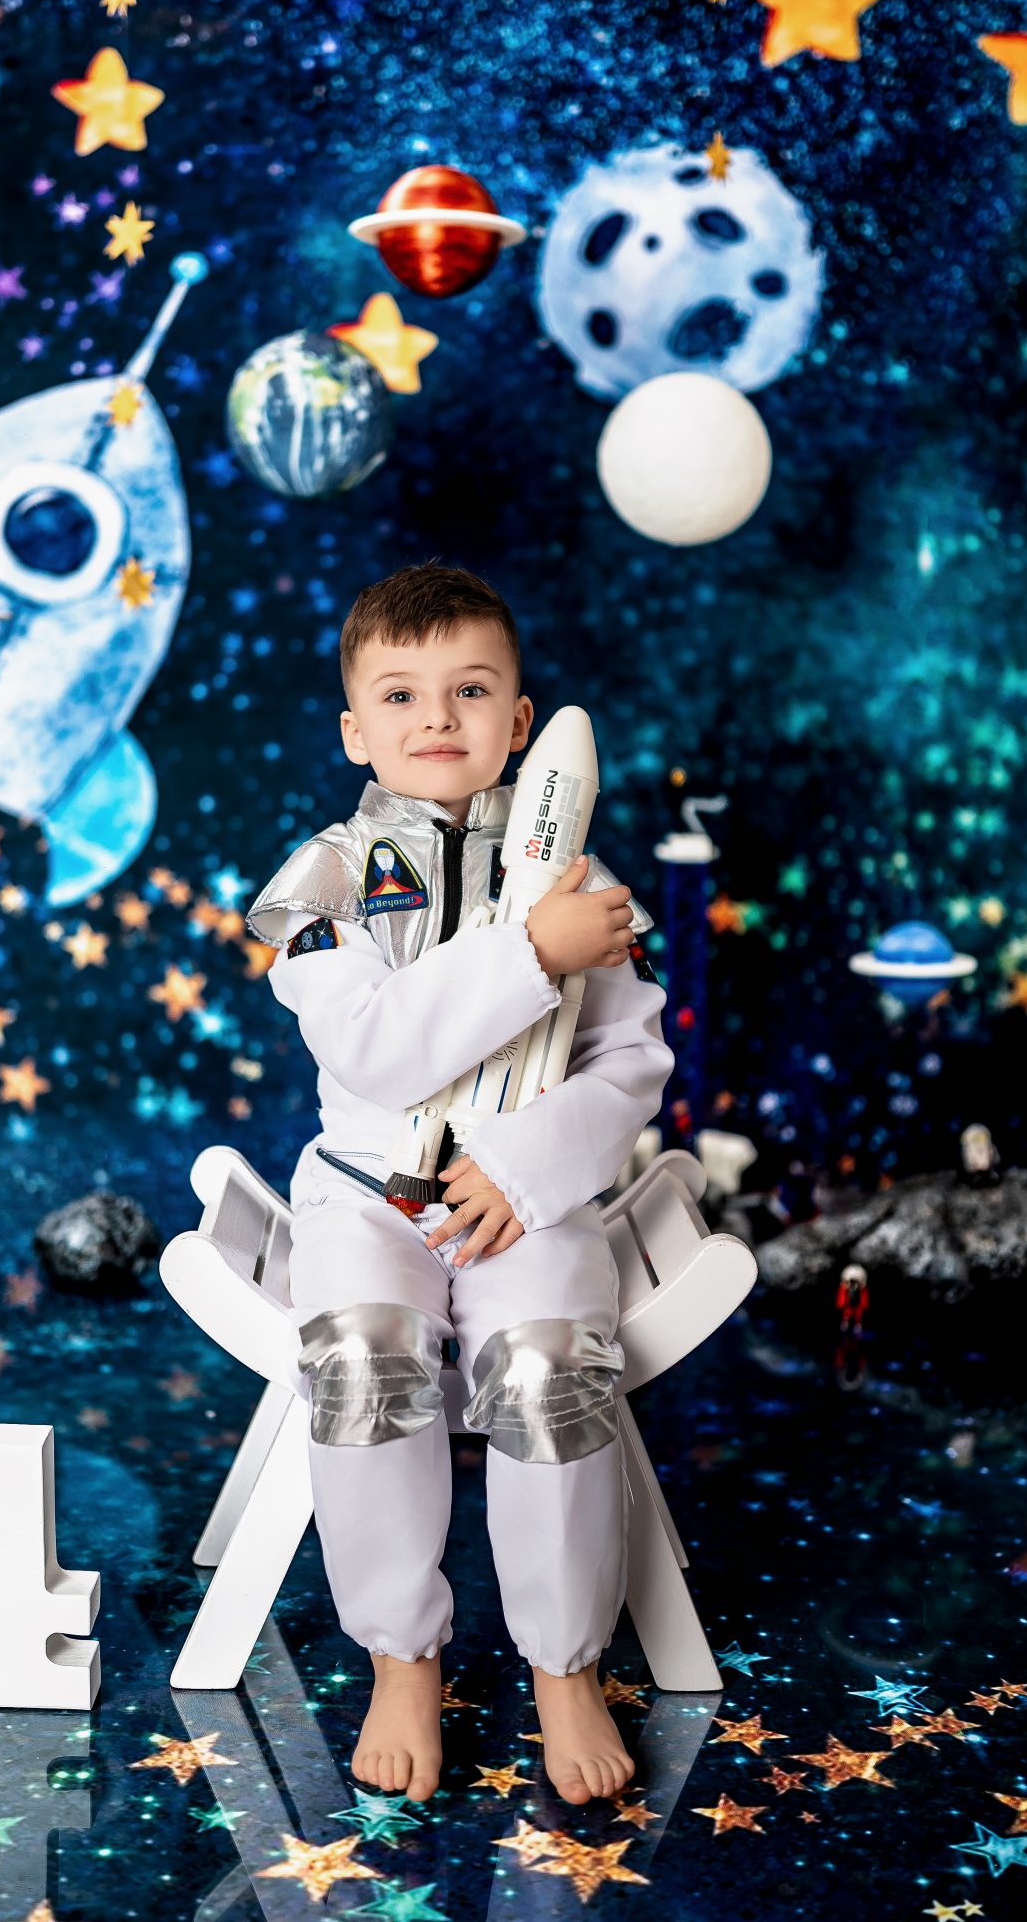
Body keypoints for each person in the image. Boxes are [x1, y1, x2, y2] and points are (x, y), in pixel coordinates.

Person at [244, 561, 675, 1807]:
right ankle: (399, 1653)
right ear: (355, 728)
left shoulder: (583, 886)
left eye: (470, 689)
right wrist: (524, 952)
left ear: (520, 722)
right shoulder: (322, 883)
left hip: (519, 1205)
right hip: (368, 1200)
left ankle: (562, 1666)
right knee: (365, 1352)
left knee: (551, 1370)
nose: (437, 716)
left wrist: (529, 1170)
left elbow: (630, 1062)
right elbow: (378, 1048)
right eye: (402, 692)